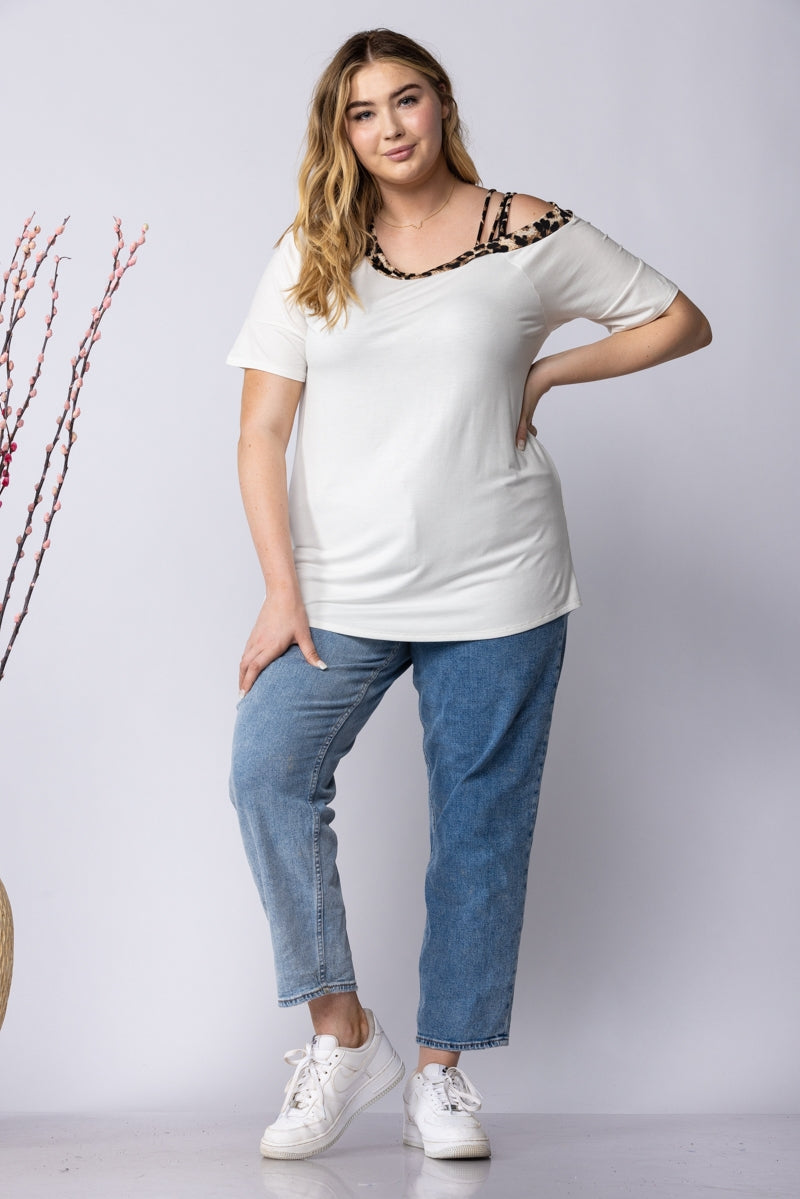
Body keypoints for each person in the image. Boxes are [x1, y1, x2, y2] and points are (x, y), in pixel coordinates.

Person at [226, 28, 711, 1163]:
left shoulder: (524, 230)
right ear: (340, 132)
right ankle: (344, 1036)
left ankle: (441, 1071)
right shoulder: (312, 248)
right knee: (267, 769)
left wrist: (548, 369)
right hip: (342, 586)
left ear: (440, 104)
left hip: (501, 578)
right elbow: (259, 430)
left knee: (478, 822)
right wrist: (280, 591)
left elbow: (678, 318)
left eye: (405, 100)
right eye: (362, 112)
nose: (389, 127)